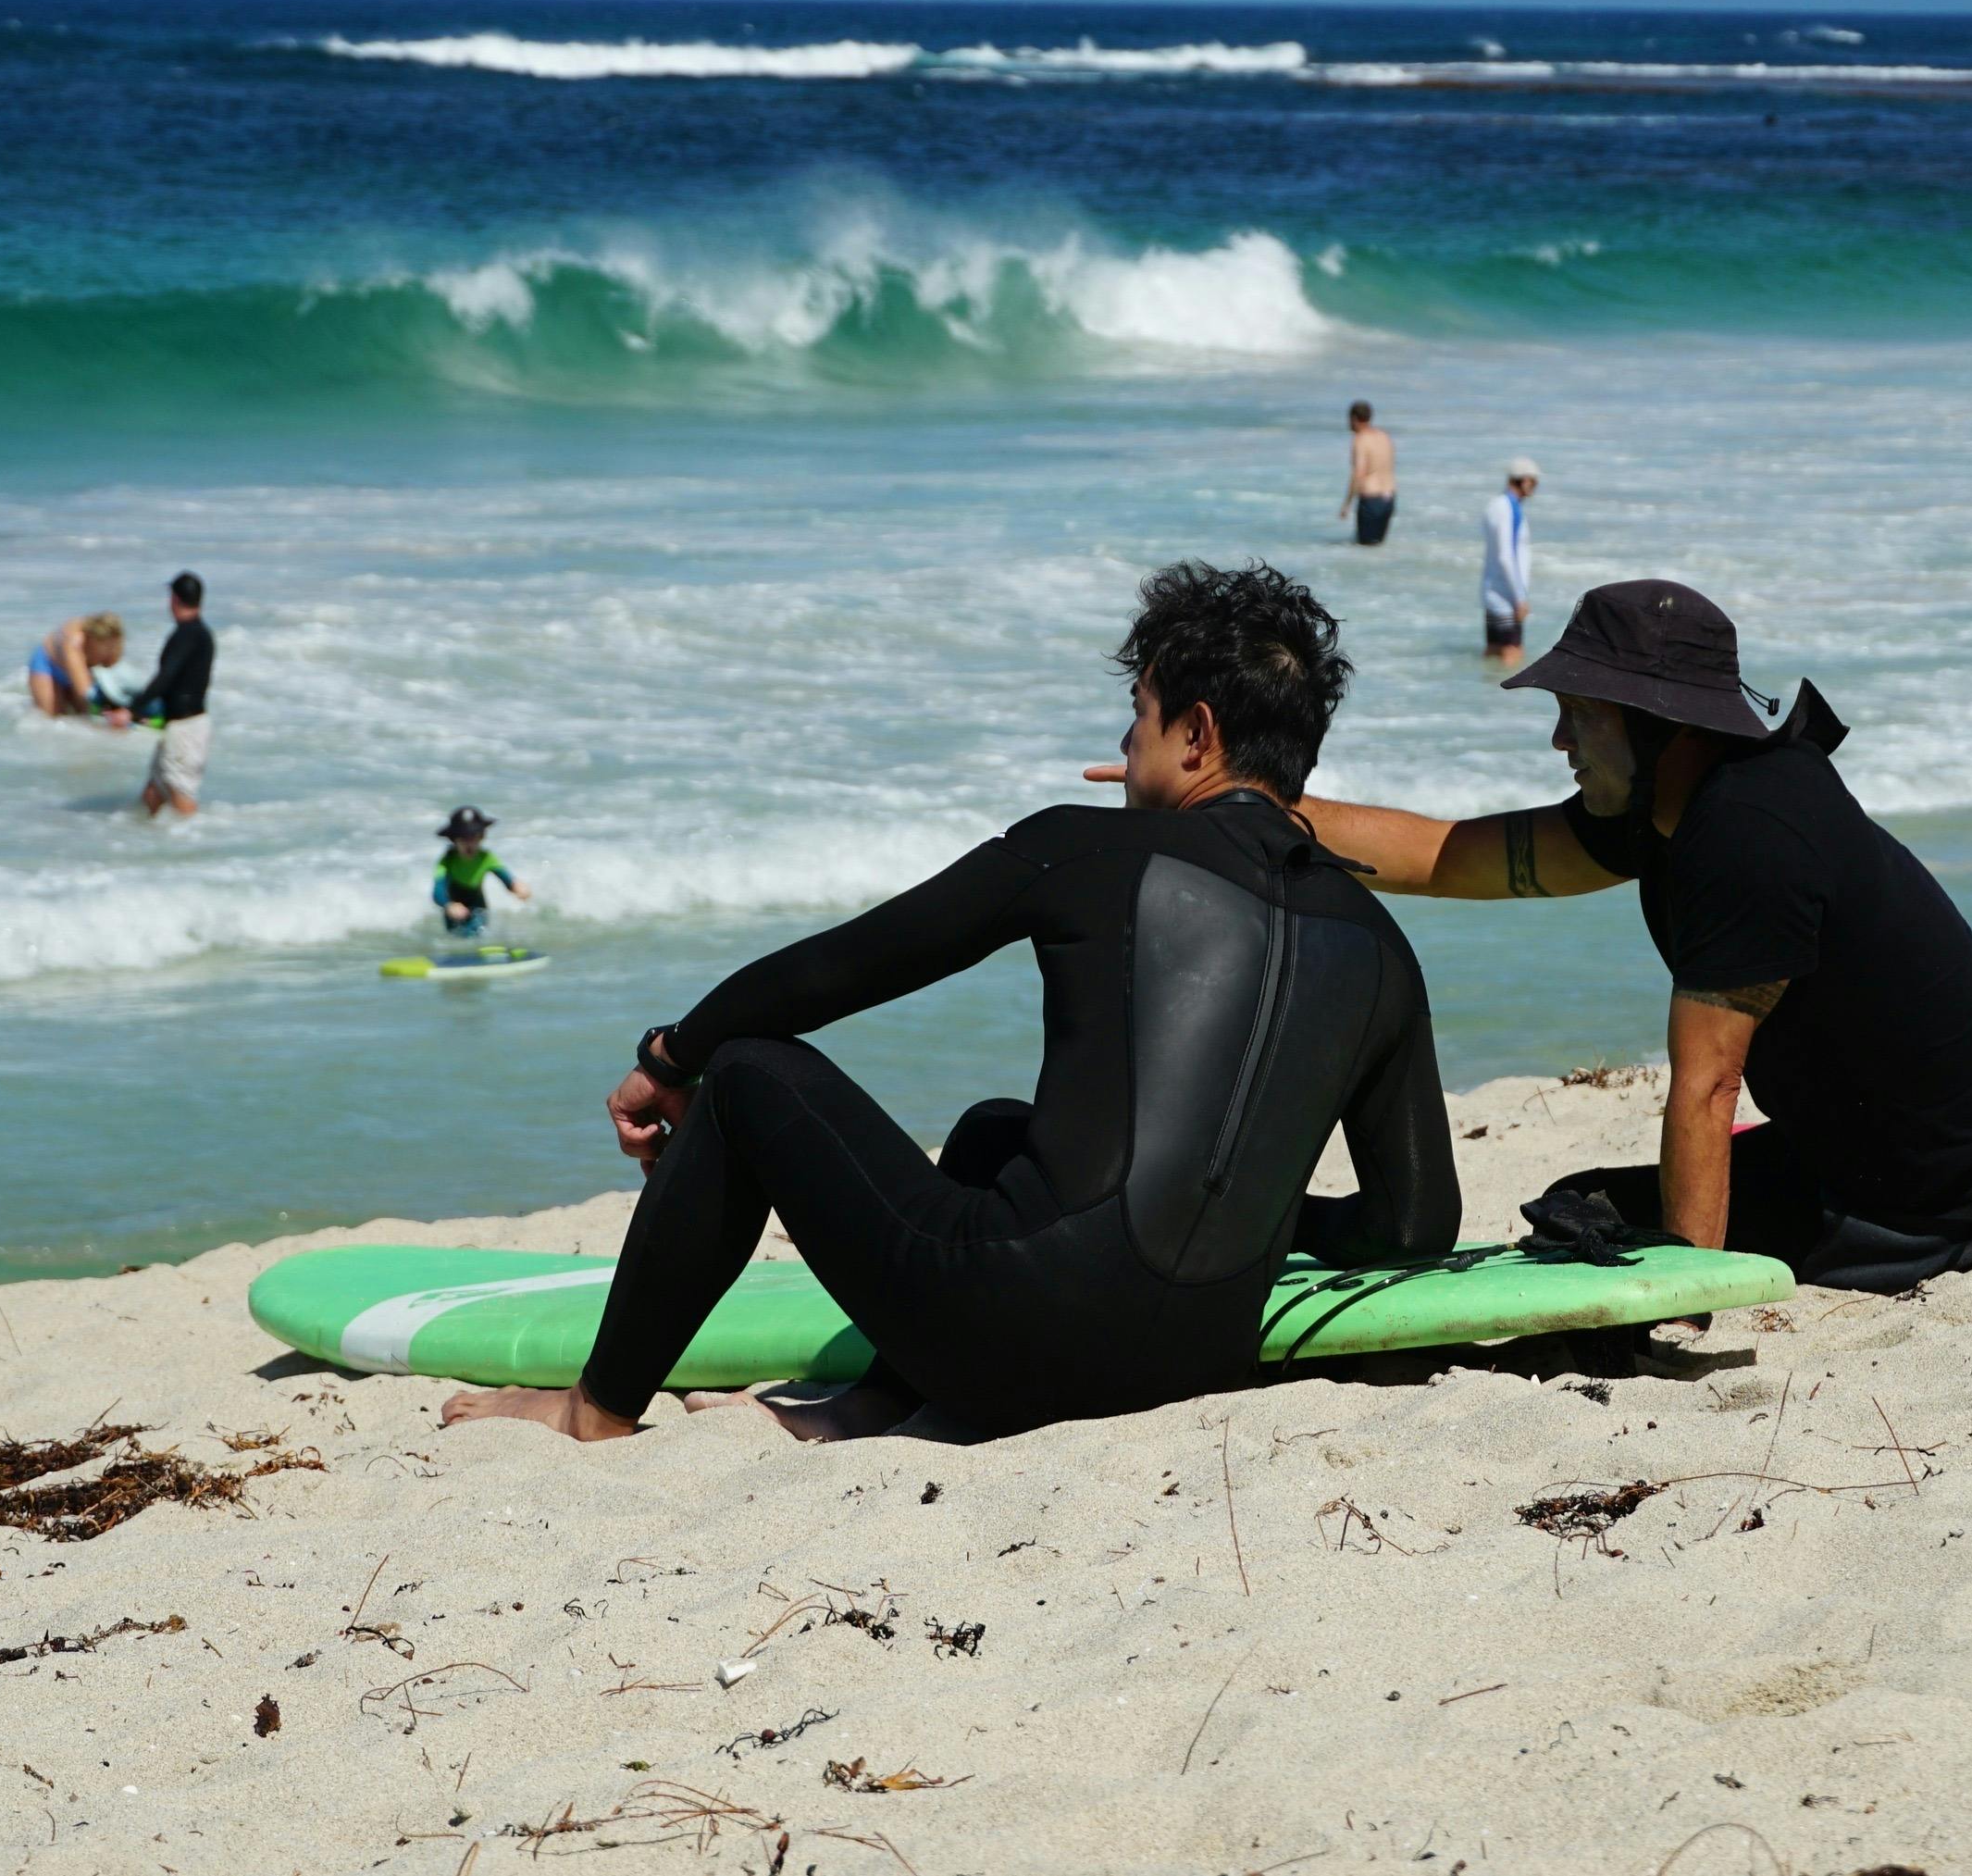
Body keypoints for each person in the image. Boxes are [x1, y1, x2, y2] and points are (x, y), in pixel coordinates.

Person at [440, 562, 1458, 1446]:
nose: (1122, 738)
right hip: (1189, 1366)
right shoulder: (1377, 941)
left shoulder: (1082, 845)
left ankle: (596, 1408)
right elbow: (1414, 1226)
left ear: (1195, 734)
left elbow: (840, 969)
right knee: (992, 1134)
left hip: (1016, 1344)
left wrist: (672, 1051)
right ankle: (874, 1403)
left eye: (1136, 715)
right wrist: (1264, 1211)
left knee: (749, 1071)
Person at [1297, 578, 1972, 1294]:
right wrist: (1251, 808)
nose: (1559, 741)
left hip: (1953, 1186)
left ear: (1657, 726)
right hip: (1936, 1137)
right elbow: (1452, 857)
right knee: (1585, 1205)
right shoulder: (1667, 805)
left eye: (1580, 714)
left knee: (1588, 1231)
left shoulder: (1747, 834)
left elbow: (1710, 1089)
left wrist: (1685, 1306)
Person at [134, 573, 215, 819]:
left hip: (186, 729)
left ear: (174, 599)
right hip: (179, 725)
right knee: (152, 794)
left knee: (181, 798)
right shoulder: (200, 634)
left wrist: (133, 708)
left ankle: (199, 849)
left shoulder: (187, 635)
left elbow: (166, 677)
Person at [432, 807, 534, 934]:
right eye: (464, 839)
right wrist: (449, 905)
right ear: (454, 840)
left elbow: (507, 880)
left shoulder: (486, 858)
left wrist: (517, 887)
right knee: (455, 934)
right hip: (453, 909)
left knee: (476, 931)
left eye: (474, 837)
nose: (470, 844)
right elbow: (437, 892)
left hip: (478, 906)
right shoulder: (447, 861)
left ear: (482, 837)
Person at [1481, 457, 1539, 665]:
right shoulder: (1509, 509)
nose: (1535, 488)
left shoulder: (1494, 505)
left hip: (1492, 590)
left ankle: (1487, 693)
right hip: (1507, 595)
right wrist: (1519, 598)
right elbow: (1507, 556)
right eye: (1534, 482)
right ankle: (1509, 697)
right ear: (1524, 481)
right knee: (1512, 653)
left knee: (1493, 651)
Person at [27, 612, 134, 724]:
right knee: (53, 720)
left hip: (78, 670)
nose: (111, 649)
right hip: (47, 666)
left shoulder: (114, 637)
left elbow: (112, 675)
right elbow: (85, 692)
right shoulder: (74, 643)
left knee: (83, 718)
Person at [1341, 401, 1398, 546]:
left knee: (1365, 548)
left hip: (1371, 499)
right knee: (1377, 547)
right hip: (1389, 498)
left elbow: (1359, 473)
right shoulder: (1384, 436)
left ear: (1354, 418)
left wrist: (1347, 504)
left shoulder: (1360, 439)